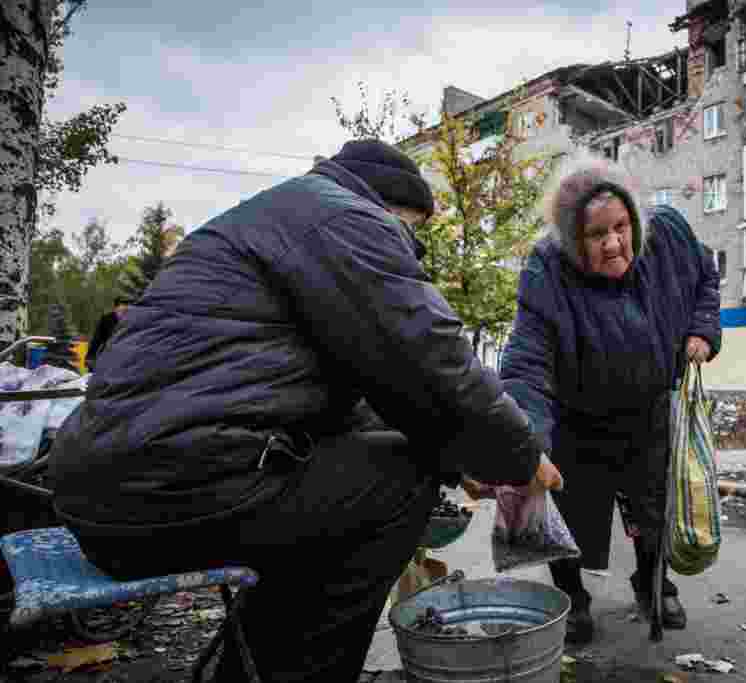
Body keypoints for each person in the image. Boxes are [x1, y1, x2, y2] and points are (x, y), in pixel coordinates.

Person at [48, 139, 563, 682]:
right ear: (391, 206)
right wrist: (520, 455)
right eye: (412, 229)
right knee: (402, 480)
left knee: (370, 473)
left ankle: (251, 670)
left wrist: (460, 462)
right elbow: (434, 361)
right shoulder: (346, 221)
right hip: (169, 497)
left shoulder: (274, 219)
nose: (411, 245)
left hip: (104, 496)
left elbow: (360, 403)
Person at [496, 152, 722, 645]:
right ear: (575, 239)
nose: (615, 243)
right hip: (580, 420)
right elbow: (527, 361)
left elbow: (706, 275)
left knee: (653, 510)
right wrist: (524, 440)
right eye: (598, 235)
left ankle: (652, 582)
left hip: (649, 412)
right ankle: (572, 599)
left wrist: (703, 330)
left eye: (621, 227)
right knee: (571, 515)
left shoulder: (667, 236)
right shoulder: (548, 267)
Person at [84, 296, 131, 372]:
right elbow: (97, 339)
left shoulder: (132, 320)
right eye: (121, 308)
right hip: (109, 355)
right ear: (116, 308)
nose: (125, 310)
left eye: (127, 307)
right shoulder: (106, 320)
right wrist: (90, 357)